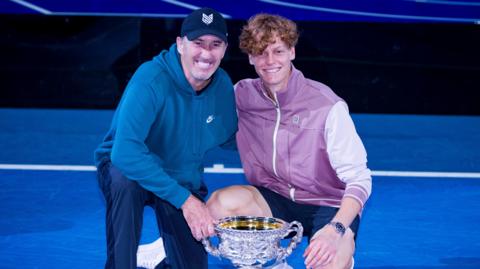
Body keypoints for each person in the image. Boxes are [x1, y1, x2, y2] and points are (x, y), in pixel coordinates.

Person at [207, 14, 372, 269]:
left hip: (328, 204)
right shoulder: (242, 95)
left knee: (327, 263)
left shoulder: (326, 105)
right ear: (250, 57)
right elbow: (203, 124)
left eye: (278, 51)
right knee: (219, 205)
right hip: (274, 199)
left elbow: (359, 179)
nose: (270, 61)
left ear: (292, 52)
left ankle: (341, 254)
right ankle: (270, 261)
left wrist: (336, 229)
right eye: (261, 53)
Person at [94, 7, 237, 269]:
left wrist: (279, 140)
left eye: (215, 44)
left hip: (179, 176)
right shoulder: (150, 79)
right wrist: (186, 201)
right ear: (180, 44)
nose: (206, 53)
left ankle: (161, 258)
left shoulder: (223, 85)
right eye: (198, 43)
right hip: (130, 170)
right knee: (123, 181)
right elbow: (124, 153)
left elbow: (231, 138)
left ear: (225, 49)